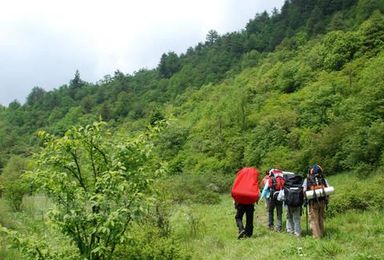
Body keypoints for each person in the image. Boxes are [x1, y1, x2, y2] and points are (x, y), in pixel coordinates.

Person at [231, 167, 260, 239]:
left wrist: (235, 202)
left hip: (241, 202)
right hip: (250, 202)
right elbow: (257, 191)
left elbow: (235, 191)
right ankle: (248, 234)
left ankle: (241, 229)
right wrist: (256, 200)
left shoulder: (240, 182)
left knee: (238, 217)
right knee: (249, 218)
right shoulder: (250, 183)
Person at [303, 164, 329, 239]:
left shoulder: (307, 179)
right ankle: (322, 233)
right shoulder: (322, 178)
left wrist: (305, 200)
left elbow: (304, 191)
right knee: (321, 217)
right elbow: (327, 188)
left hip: (313, 202)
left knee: (314, 219)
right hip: (323, 201)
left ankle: (317, 237)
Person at [283, 172, 304, 237]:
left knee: (289, 217)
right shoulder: (299, 184)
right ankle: (297, 233)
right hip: (297, 204)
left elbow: (282, 196)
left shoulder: (287, 185)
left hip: (289, 204)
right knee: (297, 218)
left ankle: (290, 231)